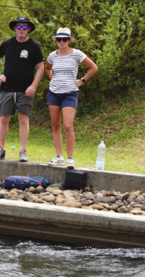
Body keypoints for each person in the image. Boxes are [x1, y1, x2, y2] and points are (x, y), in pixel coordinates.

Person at [0, 16, 44, 163]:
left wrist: (33, 85)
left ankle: (23, 150)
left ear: (29, 29)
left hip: (25, 89)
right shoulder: (7, 44)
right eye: (19, 27)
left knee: (23, 119)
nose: (21, 30)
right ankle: (0, 149)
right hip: (7, 88)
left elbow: (40, 67)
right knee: (4, 118)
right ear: (15, 28)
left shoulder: (34, 46)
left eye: (24, 27)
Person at [45, 27, 98, 170]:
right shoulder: (52, 55)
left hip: (70, 93)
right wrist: (52, 79)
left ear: (69, 40)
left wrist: (82, 81)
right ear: (55, 41)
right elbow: (47, 68)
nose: (61, 42)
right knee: (55, 125)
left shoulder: (77, 54)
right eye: (59, 39)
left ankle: (70, 158)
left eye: (65, 39)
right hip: (54, 92)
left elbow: (93, 67)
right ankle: (59, 156)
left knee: (68, 126)